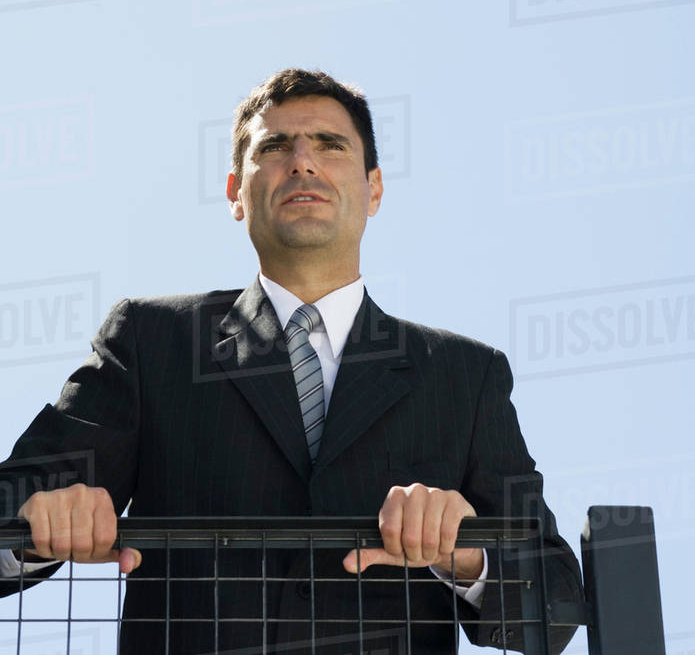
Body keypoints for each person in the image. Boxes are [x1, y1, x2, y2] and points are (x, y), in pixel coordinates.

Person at [0, 68, 584, 654]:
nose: (303, 162)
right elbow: (11, 502)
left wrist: (468, 555)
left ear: (374, 188)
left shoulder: (464, 376)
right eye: (275, 147)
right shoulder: (152, 341)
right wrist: (34, 527)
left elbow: (557, 602)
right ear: (235, 192)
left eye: (330, 145)